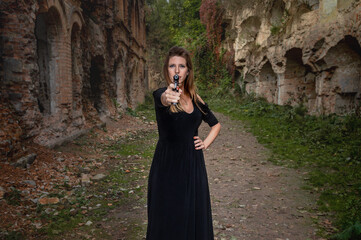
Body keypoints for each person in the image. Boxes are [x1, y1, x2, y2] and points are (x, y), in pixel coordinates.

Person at [146, 46, 221, 240]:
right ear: (167, 70)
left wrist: (205, 144)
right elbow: (163, 99)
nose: (177, 71)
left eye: (181, 66)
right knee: (169, 218)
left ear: (188, 71)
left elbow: (216, 124)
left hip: (193, 165)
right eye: (172, 66)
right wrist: (168, 96)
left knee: (193, 215)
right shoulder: (161, 94)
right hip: (167, 167)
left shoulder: (196, 98)